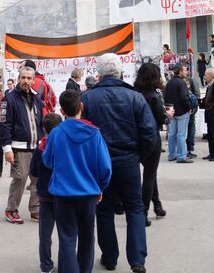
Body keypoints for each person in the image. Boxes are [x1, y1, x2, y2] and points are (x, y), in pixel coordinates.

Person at [81, 53, 156, 273]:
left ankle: (110, 257)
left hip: (100, 162)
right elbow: (149, 132)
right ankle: (137, 260)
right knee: (134, 208)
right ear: (120, 71)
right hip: (128, 160)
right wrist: (138, 156)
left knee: (103, 209)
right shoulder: (134, 97)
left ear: (99, 73)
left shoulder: (87, 98)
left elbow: (80, 132)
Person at [43, 90, 112, 273]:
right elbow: (105, 167)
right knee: (87, 237)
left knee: (67, 238)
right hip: (88, 193)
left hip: (62, 194)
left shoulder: (56, 133)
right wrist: (101, 187)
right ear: (81, 107)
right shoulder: (94, 133)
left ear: (62, 110)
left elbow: (48, 160)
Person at [0, 66, 43, 224]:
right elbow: (4, 126)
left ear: (33, 80)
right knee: (19, 179)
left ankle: (36, 210)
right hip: (19, 148)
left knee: (38, 179)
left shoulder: (37, 98)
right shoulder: (9, 99)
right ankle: (11, 209)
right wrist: (7, 149)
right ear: (18, 79)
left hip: (36, 148)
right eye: (23, 77)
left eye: (29, 78)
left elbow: (39, 124)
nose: (26, 81)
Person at [134, 63, 172, 227]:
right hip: (152, 138)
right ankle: (143, 212)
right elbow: (161, 120)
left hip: (136, 138)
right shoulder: (155, 96)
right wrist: (168, 115)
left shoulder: (134, 94)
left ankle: (157, 205)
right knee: (149, 175)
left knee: (151, 173)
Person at [30, 113, 62, 273]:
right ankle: (66, 262)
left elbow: (33, 171)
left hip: (45, 193)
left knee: (45, 233)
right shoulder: (65, 146)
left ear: (43, 128)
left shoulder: (40, 147)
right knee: (66, 232)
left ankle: (46, 265)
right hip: (63, 194)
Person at [164, 64, 193, 163]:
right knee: (181, 135)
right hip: (182, 112)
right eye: (185, 70)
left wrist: (168, 109)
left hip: (172, 111)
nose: (186, 72)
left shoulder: (169, 82)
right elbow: (184, 97)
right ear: (180, 71)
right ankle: (181, 156)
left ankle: (172, 155)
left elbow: (165, 97)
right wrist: (189, 107)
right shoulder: (181, 83)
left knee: (172, 134)